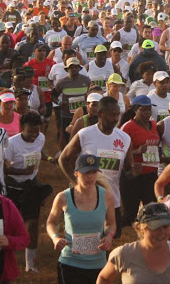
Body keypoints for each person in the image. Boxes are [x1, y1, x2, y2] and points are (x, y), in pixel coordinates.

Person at [59, 96, 135, 239]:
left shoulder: (125, 138)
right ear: (100, 114)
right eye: (112, 115)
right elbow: (63, 159)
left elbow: (128, 171)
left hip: (112, 198)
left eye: (117, 115)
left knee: (107, 239)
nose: (116, 119)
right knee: (83, 239)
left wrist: (134, 172)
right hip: (86, 197)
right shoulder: (85, 134)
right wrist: (76, 182)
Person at [47, 154, 115, 284]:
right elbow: (50, 222)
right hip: (70, 263)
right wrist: (55, 237)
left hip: (98, 263)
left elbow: (111, 224)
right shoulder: (63, 197)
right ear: (76, 173)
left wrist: (109, 236)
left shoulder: (107, 196)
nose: (90, 177)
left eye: (94, 172)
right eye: (86, 173)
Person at [96, 202, 170, 284]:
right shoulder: (123, 254)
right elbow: (104, 278)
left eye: (165, 227)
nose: (162, 233)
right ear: (140, 229)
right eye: (155, 228)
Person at [4, 111, 52, 273]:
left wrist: (50, 158)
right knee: (9, 227)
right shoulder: (11, 144)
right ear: (21, 128)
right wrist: (22, 172)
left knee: (32, 225)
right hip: (12, 189)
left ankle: (29, 265)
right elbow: (4, 169)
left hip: (31, 188)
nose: (33, 135)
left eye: (36, 131)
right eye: (29, 131)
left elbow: (39, 151)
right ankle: (5, 262)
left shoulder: (41, 138)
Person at [119, 95, 160, 226]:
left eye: (149, 109)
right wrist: (136, 151)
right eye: (143, 110)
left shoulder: (154, 125)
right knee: (130, 214)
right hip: (134, 175)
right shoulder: (127, 127)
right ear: (135, 110)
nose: (147, 113)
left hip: (151, 174)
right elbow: (119, 151)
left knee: (150, 211)